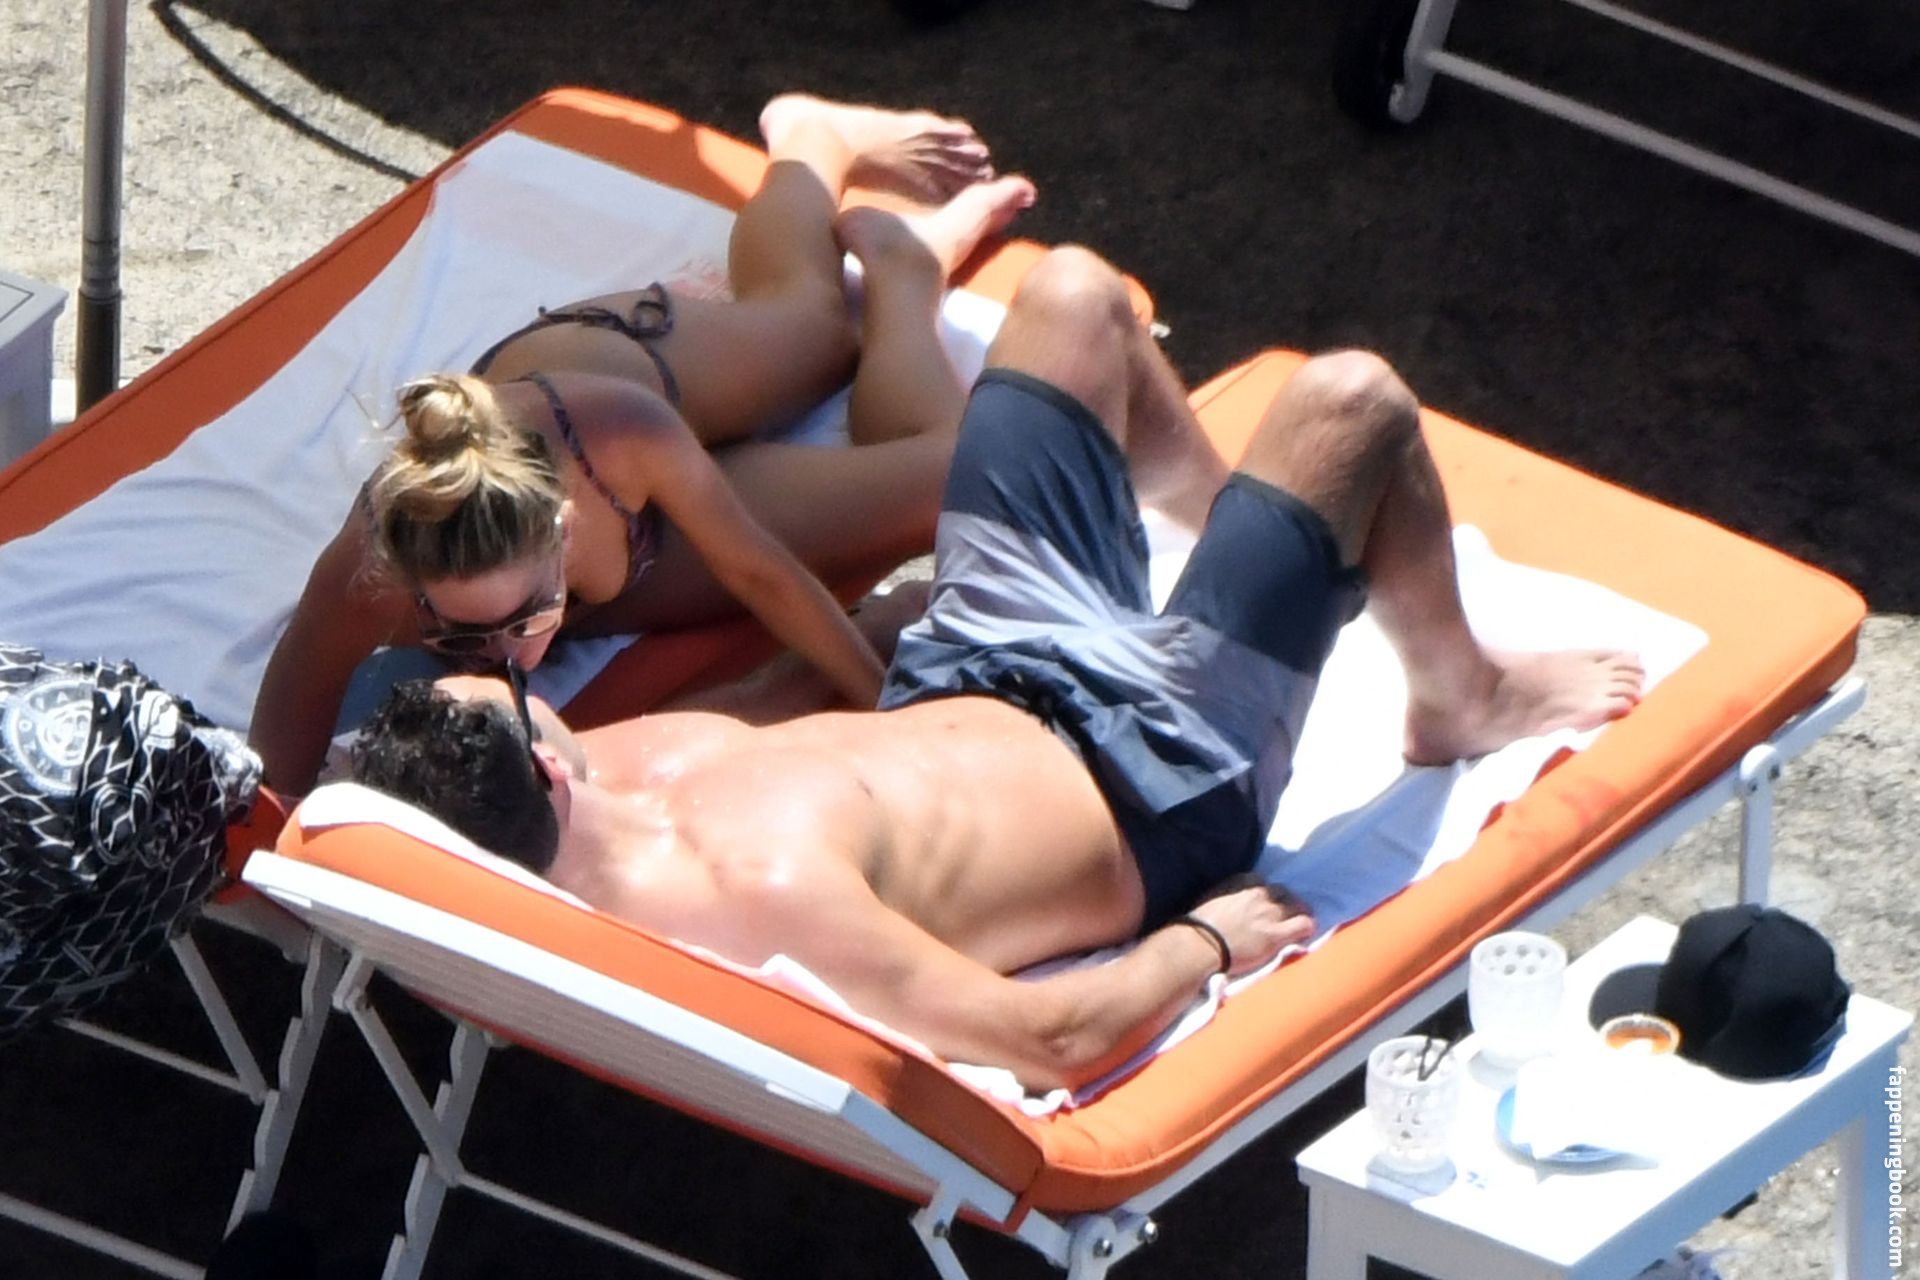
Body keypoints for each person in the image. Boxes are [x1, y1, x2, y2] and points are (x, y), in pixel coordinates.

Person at [349, 246, 1645, 1093]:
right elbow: (1047, 1040)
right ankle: (1461, 693)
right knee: (1355, 402)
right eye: (516, 700)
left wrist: (877, 639)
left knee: (1076, 297)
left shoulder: (593, 777)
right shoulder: (760, 901)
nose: (532, 688)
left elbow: (757, 718)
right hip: (1156, 766)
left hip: (974, 662)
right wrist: (1203, 941)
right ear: (540, 783)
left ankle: (1225, 535)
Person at [250, 93, 1038, 794]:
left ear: (563, 532)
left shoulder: (619, 429)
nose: (501, 658)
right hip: (625, 536)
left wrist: (887, 715)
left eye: (524, 620)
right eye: (459, 636)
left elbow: (763, 574)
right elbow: (272, 774)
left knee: (817, 332)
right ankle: (902, 266)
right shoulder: (374, 576)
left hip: (615, 375)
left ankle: (820, 148)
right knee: (940, 476)